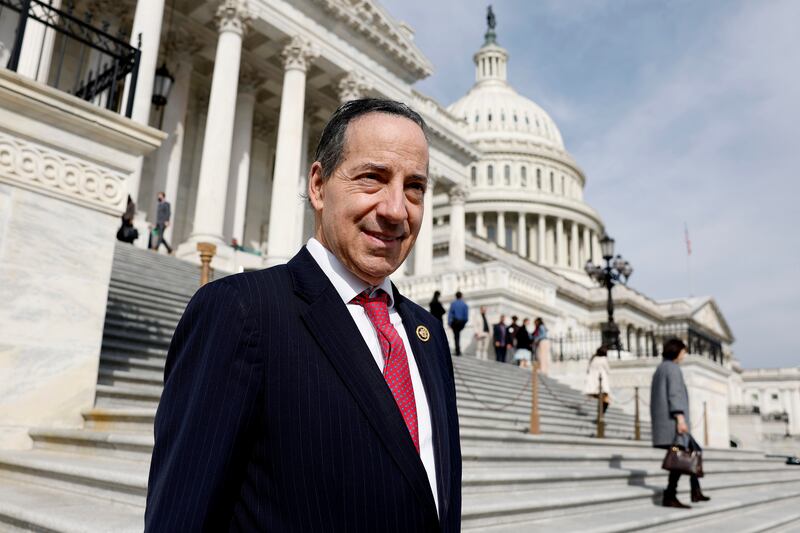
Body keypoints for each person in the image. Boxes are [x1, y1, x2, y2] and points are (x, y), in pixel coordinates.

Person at [145, 98, 462, 532]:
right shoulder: (242, 311)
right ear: (318, 186)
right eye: (372, 178)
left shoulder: (428, 334)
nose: (395, 209)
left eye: (414, 188)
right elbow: (182, 516)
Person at [651, 338, 710, 509]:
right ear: (676, 351)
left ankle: (695, 490)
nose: (684, 355)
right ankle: (670, 495)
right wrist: (680, 418)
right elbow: (674, 394)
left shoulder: (661, 368)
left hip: (667, 424)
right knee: (679, 455)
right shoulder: (673, 369)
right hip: (675, 424)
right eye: (683, 352)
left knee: (691, 451)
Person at [583, 345, 612, 413]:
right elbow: (608, 370)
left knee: (602, 398)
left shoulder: (593, 359)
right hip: (601, 381)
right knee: (606, 399)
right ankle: (601, 413)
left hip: (593, 382)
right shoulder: (604, 359)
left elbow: (588, 370)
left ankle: (600, 412)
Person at [447, 291, 469, 356]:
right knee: (458, 335)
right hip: (461, 322)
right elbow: (466, 315)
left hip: (455, 322)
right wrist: (464, 322)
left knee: (456, 336)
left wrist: (449, 323)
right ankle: (458, 350)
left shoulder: (453, 304)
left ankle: (457, 350)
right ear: (461, 296)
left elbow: (450, 314)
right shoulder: (464, 304)